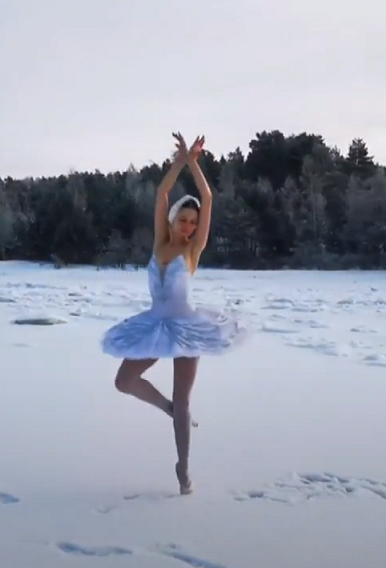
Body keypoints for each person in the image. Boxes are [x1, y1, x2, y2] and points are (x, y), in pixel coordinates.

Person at [101, 132, 248, 495]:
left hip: (186, 328)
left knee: (185, 402)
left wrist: (195, 165)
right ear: (171, 220)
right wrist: (179, 162)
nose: (188, 226)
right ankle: (166, 407)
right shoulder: (159, 243)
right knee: (124, 381)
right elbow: (161, 194)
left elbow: (209, 198)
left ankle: (183, 470)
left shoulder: (193, 250)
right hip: (154, 325)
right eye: (183, 220)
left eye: (193, 222)